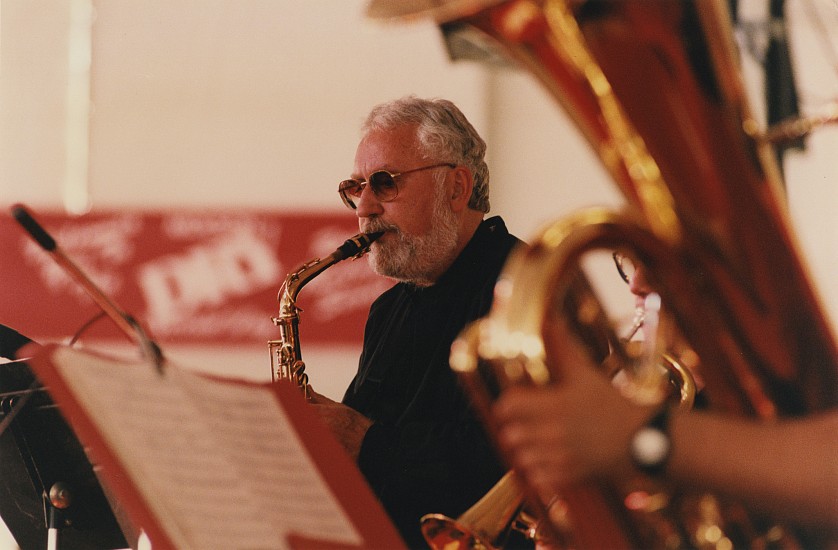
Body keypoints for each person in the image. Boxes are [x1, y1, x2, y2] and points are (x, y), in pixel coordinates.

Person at [491, 254, 838, 546]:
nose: (636, 283)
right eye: (628, 263)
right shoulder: (650, 393)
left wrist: (635, 434)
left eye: (653, 260)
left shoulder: (787, 382)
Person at [309, 96, 525, 548]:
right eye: (355, 187)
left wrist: (360, 440)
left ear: (456, 188)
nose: (363, 207)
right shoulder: (388, 309)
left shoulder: (523, 287)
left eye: (384, 183)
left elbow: (507, 463)